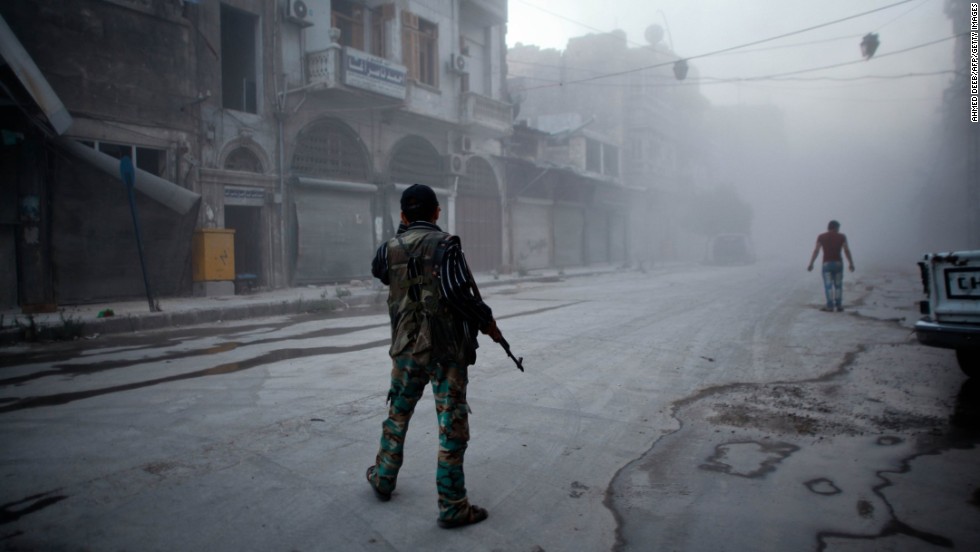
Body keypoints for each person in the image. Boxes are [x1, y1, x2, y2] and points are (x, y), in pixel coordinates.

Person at [366, 183, 502, 529]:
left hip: (407, 349)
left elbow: (380, 271)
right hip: (445, 351)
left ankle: (383, 477)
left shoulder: (388, 250)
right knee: (451, 426)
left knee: (397, 414)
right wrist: (490, 326)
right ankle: (452, 505)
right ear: (437, 212)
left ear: (402, 216)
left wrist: (402, 234)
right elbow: (460, 295)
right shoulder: (446, 246)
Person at [807, 220, 855, 311]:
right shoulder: (842, 237)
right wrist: (851, 263)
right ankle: (839, 305)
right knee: (838, 285)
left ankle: (830, 305)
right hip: (838, 264)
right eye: (838, 228)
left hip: (826, 264)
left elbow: (816, 250)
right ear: (835, 227)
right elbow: (846, 250)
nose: (838, 230)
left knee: (828, 285)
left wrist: (811, 263)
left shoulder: (821, 237)